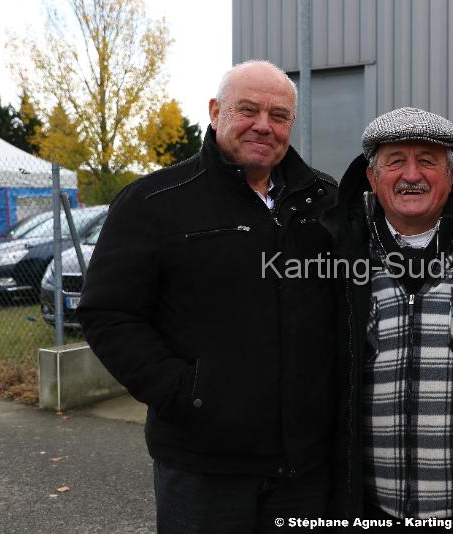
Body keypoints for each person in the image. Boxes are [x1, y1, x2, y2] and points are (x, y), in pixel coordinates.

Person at [77, 60, 338, 533]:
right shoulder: (154, 202)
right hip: (202, 468)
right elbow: (108, 313)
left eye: (279, 116)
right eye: (248, 110)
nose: (264, 125)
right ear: (216, 111)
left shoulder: (324, 202)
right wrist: (187, 393)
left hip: (305, 469)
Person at [325, 107, 453, 533]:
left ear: (451, 176)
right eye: (395, 161)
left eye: (427, 160)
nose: (412, 174)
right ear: (373, 179)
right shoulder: (341, 256)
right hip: (371, 509)